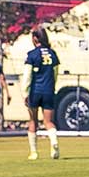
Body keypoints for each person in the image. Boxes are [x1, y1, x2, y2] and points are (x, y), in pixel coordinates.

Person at [23, 27, 60, 160]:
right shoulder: (53, 54)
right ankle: (54, 142)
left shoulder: (32, 55)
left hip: (35, 92)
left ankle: (34, 152)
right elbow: (55, 74)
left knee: (33, 121)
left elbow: (27, 76)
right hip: (49, 91)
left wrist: (25, 93)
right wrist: (52, 87)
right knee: (48, 121)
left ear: (35, 39)